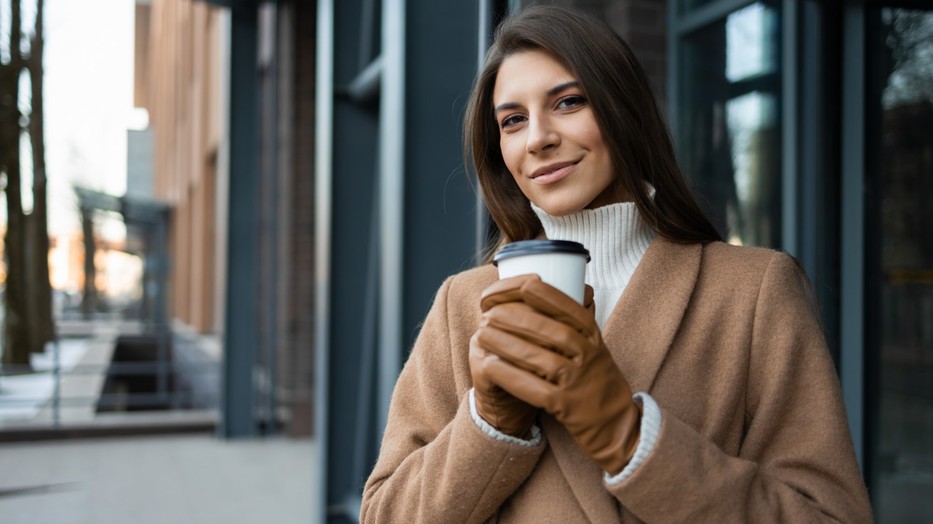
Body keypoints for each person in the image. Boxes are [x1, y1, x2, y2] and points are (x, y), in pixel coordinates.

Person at [361, 6, 872, 523]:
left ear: (623, 109)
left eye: (568, 102)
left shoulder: (752, 292)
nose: (537, 137)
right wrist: (488, 423)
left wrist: (625, 434)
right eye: (513, 120)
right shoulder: (464, 303)